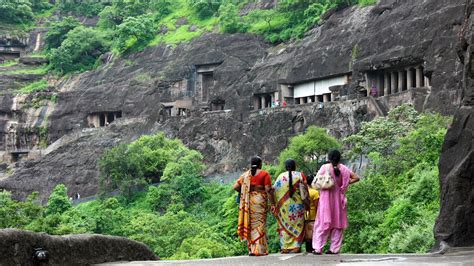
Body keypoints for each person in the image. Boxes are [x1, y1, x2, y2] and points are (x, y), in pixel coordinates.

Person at [312, 150, 359, 255]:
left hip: (326, 201)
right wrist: (344, 183)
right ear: (339, 158)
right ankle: (334, 249)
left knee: (322, 224)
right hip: (339, 200)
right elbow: (356, 177)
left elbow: (317, 181)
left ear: (329, 158)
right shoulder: (345, 169)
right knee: (338, 225)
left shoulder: (324, 168)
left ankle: (318, 248)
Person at [234, 156, 274, 256]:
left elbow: (235, 187)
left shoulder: (245, 175)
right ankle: (259, 250)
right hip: (260, 202)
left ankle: (252, 249)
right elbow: (268, 189)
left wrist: (245, 191)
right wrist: (273, 203)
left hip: (249, 202)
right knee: (260, 224)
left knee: (251, 225)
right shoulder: (264, 174)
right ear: (260, 164)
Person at [272, 159, 310, 253]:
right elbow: (305, 191)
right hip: (298, 207)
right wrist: (308, 204)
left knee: (284, 227)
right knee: (298, 226)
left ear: (285, 167)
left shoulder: (280, 176)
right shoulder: (300, 175)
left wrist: (276, 204)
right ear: (295, 166)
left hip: (283, 207)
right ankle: (296, 247)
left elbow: (274, 190)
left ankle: (285, 247)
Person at [305, 174, 319, 252]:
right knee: (314, 235)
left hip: (305, 216)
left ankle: (308, 251)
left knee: (307, 235)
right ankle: (314, 250)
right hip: (314, 216)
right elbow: (317, 206)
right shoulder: (315, 193)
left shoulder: (304, 192)